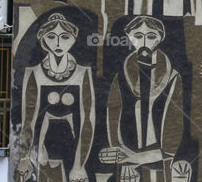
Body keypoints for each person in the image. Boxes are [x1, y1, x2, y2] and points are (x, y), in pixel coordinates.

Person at [98, 16, 190, 182]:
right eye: (138, 36)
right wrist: (122, 156)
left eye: (151, 36)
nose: (145, 41)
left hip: (160, 159)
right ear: (130, 37)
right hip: (128, 159)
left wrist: (139, 158)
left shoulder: (173, 77)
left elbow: (174, 129)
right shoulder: (121, 77)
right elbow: (113, 115)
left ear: (160, 38)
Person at [18, 13, 95, 182]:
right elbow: (28, 119)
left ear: (73, 39)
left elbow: (87, 120)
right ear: (43, 40)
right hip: (42, 146)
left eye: (65, 37)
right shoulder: (35, 73)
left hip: (74, 146)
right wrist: (24, 157)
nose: (58, 43)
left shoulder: (83, 73)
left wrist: (79, 165)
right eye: (51, 37)